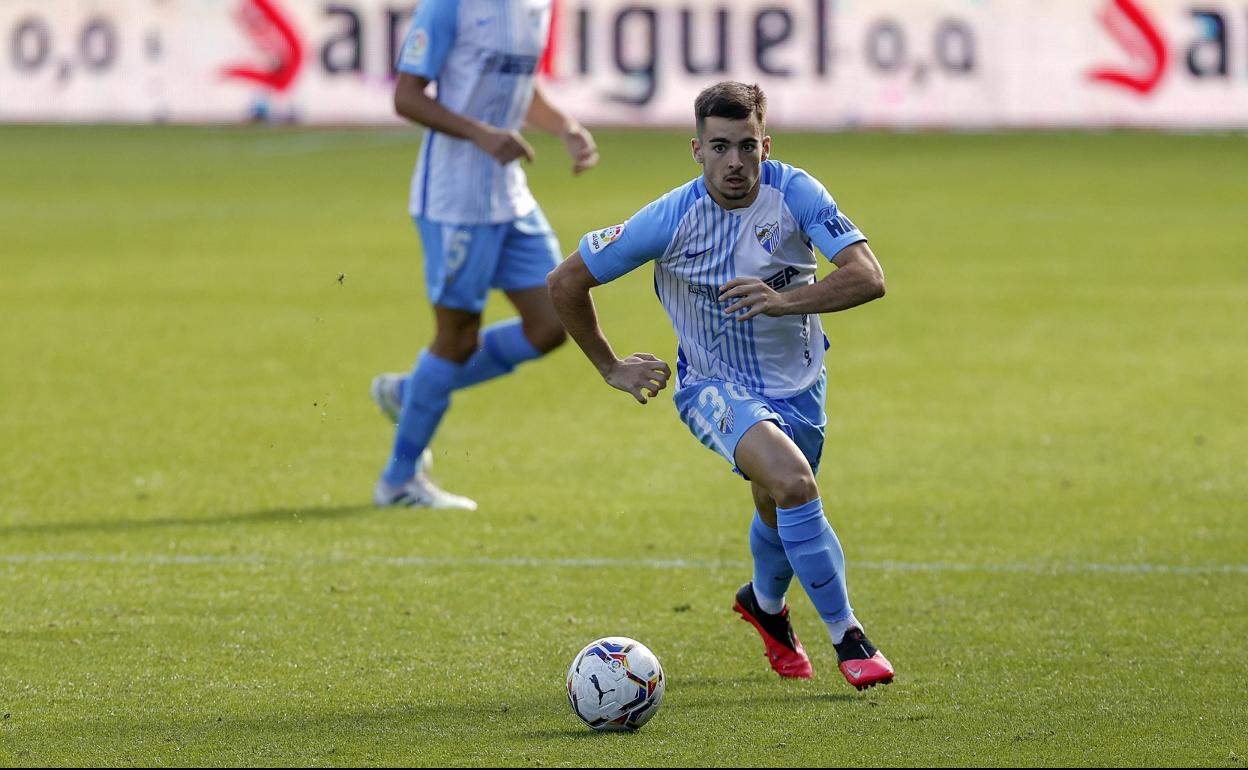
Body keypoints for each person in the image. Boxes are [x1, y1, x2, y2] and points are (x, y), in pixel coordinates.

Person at [546, 81, 894, 690]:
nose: (735, 162)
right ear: (696, 149)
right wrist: (610, 366)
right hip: (713, 386)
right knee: (792, 482)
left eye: (747, 146)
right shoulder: (670, 219)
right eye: (720, 147)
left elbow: (868, 277)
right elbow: (566, 281)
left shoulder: (797, 192)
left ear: (766, 144)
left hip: (802, 383)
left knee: (776, 502)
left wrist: (784, 301)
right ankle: (849, 636)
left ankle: (763, 604)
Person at [371, 0, 599, 510]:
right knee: (456, 337)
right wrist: (479, 132)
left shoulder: (537, 6)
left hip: (510, 197)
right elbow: (406, 97)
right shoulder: (449, 6)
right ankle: (398, 480)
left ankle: (411, 393)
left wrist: (564, 125)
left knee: (550, 323)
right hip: (454, 201)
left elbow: (521, 85)